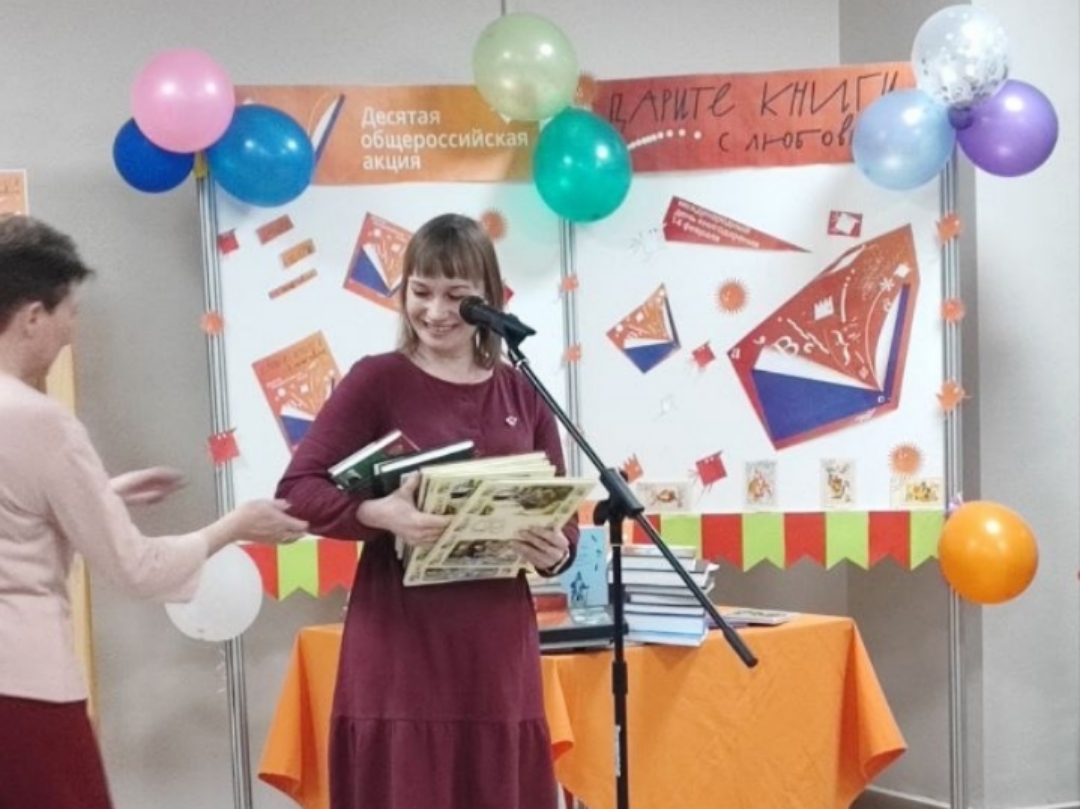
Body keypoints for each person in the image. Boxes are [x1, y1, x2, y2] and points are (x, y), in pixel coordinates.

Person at [0, 214, 309, 809]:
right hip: (27, 690)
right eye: (69, 313)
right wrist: (234, 526)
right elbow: (137, 569)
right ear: (33, 316)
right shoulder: (41, 421)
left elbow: (17, 508)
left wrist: (103, 494)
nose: (71, 332)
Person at [277, 213, 576, 809]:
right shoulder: (376, 380)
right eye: (421, 291)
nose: (435, 311)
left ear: (488, 300)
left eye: (455, 295)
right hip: (401, 646)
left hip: (496, 652)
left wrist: (555, 551)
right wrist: (378, 514)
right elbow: (297, 491)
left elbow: (563, 522)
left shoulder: (524, 391)